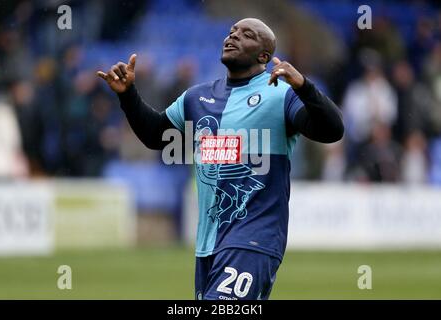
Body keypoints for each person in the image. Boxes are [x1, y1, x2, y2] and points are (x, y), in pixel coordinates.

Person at [97, 18, 343, 300]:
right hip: (208, 246)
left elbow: (332, 130)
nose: (234, 36)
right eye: (231, 32)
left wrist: (304, 87)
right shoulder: (196, 97)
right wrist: (128, 96)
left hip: (253, 241)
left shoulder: (280, 94)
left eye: (246, 34)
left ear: (264, 56)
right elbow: (156, 136)